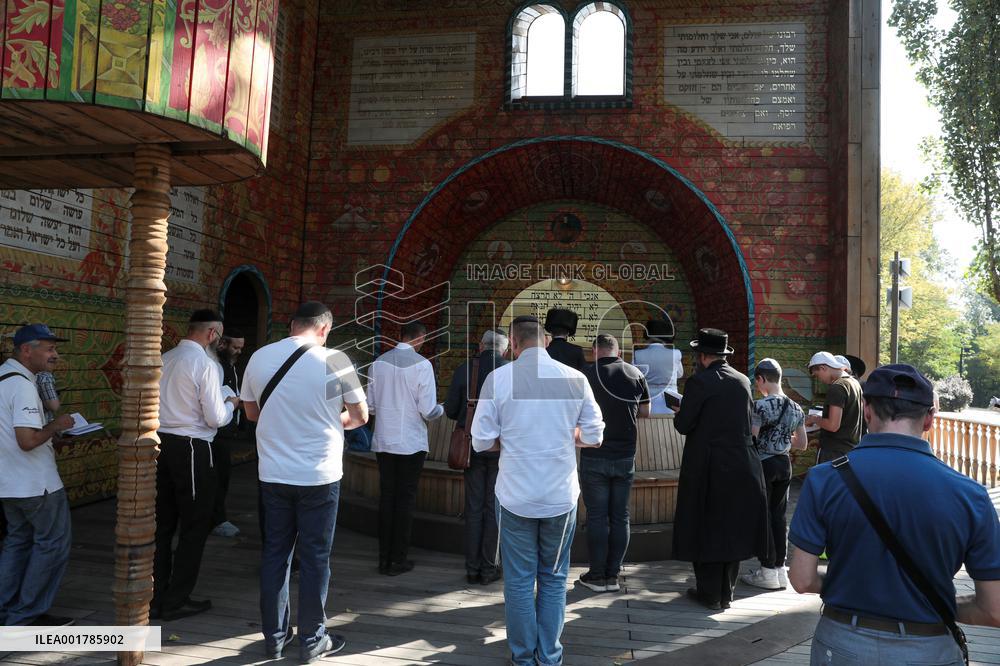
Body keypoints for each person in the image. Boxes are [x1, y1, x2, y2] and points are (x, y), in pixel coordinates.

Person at [788, 363, 1000, 665]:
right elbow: (994, 609)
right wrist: (923, 600)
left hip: (843, 644)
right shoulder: (971, 496)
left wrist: (853, 585)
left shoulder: (824, 479)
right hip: (929, 649)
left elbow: (801, 580)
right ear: (929, 418)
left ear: (866, 410)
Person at [471, 315, 604, 666]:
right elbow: (593, 435)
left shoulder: (497, 380)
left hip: (515, 494)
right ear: (545, 341)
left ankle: (522, 656)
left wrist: (510, 441)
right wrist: (569, 436)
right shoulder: (575, 379)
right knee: (554, 578)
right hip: (560, 496)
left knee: (518, 581)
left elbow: (481, 440)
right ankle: (549, 656)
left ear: (513, 344)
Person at [241, 301, 368, 662]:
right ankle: (313, 640)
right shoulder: (335, 360)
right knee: (315, 558)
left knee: (275, 555)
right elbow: (360, 416)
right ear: (324, 329)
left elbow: (252, 413)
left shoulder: (260, 357)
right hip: (319, 476)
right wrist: (330, 422)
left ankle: (274, 638)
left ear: (292, 325)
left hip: (274, 474)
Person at [671, 328, 768, 611]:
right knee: (731, 525)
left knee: (705, 525)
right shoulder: (742, 381)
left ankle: (709, 593)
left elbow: (684, 425)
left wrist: (681, 411)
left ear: (702, 356)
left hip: (706, 464)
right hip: (740, 463)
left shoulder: (699, 383)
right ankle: (727, 591)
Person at [152, 309, 238, 621]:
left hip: (160, 444)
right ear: (213, 334)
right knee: (194, 525)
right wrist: (231, 404)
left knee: (163, 524)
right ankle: (176, 599)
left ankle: (156, 594)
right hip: (191, 447)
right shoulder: (205, 363)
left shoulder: (166, 357)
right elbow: (215, 418)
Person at [0, 324, 76, 626]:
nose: (54, 354)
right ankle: (26, 616)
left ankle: (6, 609)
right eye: (49, 348)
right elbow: (27, 440)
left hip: (9, 483)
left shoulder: (3, 378)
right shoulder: (22, 385)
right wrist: (56, 426)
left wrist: (50, 435)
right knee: (52, 544)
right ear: (26, 350)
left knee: (17, 543)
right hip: (36, 484)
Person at [367, 320, 444, 576]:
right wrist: (441, 410)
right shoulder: (422, 365)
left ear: (400, 335)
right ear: (420, 338)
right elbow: (428, 409)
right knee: (405, 500)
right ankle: (398, 559)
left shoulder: (378, 363)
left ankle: (382, 559)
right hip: (411, 442)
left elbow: (370, 407)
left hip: (384, 440)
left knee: (387, 497)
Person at [578, 334, 649, 593]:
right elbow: (645, 411)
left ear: (595, 350)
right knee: (620, 516)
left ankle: (596, 576)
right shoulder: (635, 373)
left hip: (594, 453)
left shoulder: (585, 374)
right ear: (618, 352)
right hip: (625, 454)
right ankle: (613, 576)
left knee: (597, 516)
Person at [443, 328, 509, 585]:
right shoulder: (510, 371)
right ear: (505, 349)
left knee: (473, 506)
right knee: (494, 507)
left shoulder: (465, 369)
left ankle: (472, 568)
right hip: (501, 448)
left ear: (481, 346)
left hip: (471, 447)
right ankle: (489, 568)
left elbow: (450, 410)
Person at [740, 358, 807, 591]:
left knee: (764, 516)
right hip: (784, 465)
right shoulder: (796, 407)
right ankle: (780, 569)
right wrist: (783, 439)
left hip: (764, 465)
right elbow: (802, 444)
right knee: (779, 517)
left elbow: (754, 439)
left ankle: (767, 569)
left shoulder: (759, 406)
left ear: (761, 379)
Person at [211, 329, 246, 538]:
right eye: (235, 347)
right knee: (218, 477)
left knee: (223, 476)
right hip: (217, 430)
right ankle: (217, 519)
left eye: (241, 348)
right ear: (223, 344)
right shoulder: (217, 367)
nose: (239, 351)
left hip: (228, 427)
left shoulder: (233, 368)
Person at [804, 351, 863, 464]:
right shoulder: (854, 383)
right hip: (850, 450)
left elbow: (833, 425)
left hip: (833, 452)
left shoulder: (837, 387)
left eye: (817, 375)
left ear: (823, 368)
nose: (819, 380)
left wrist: (814, 418)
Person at [632, 319, 683, 414]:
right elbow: (680, 374)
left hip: (646, 407)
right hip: (670, 406)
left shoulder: (638, 355)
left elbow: (632, 379)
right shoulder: (676, 354)